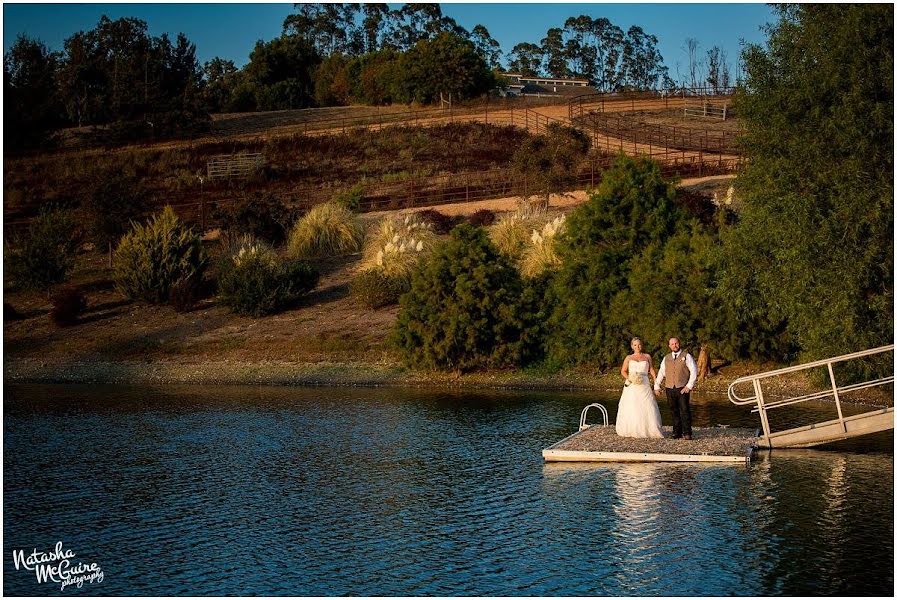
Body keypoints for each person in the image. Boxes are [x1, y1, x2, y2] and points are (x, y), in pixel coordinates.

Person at [615, 337, 664, 438]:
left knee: (647, 404)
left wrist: (656, 383)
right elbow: (623, 371)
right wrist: (630, 378)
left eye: (639, 344)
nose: (638, 347)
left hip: (644, 384)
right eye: (635, 345)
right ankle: (632, 429)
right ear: (632, 346)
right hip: (632, 385)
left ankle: (649, 429)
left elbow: (651, 370)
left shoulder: (647, 356)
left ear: (642, 345)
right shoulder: (628, 358)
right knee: (632, 405)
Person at [653, 337, 698, 440]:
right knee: (673, 410)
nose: (674, 345)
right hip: (669, 388)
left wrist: (689, 386)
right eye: (672, 344)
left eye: (676, 343)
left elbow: (694, 371)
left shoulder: (687, 356)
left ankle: (687, 432)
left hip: (682, 387)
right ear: (669, 346)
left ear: (679, 343)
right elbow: (661, 372)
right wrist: (657, 386)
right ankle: (676, 432)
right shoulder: (666, 358)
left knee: (685, 410)